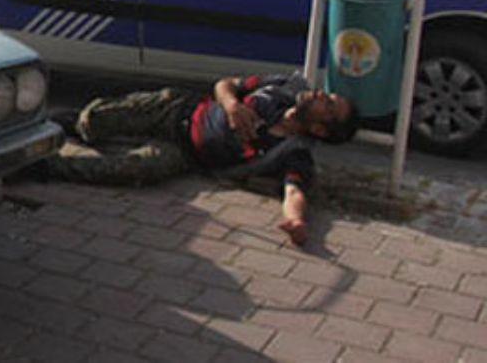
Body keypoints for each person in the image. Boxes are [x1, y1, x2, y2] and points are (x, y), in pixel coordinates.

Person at [49, 72, 358, 246]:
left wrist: (296, 221)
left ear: (319, 128)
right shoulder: (283, 87)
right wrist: (232, 106)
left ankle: (44, 166)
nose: (320, 94)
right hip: (180, 109)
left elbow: (294, 191)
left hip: (187, 154)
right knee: (91, 121)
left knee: (136, 168)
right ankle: (57, 126)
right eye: (327, 94)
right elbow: (225, 84)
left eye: (328, 105)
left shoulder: (293, 151)